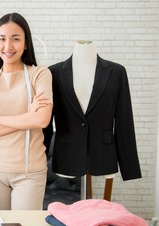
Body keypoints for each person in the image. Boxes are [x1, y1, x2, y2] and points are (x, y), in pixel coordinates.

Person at [0, 12, 53, 210]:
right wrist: (27, 118)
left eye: (15, 39)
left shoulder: (40, 74)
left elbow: (42, 120)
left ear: (26, 43)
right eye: (2, 39)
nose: (8, 46)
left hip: (30, 172)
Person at [44, 40, 141, 186]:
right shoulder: (53, 73)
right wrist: (40, 161)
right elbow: (46, 124)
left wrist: (130, 168)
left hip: (103, 156)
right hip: (66, 156)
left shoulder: (117, 72)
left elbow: (124, 122)